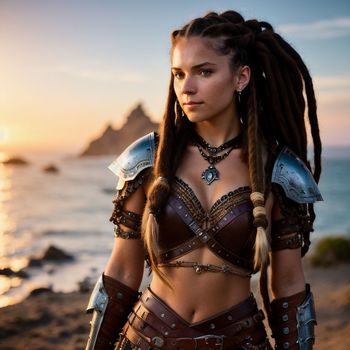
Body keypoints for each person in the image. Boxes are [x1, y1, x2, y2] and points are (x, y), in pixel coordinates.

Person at [85, 10, 323, 350]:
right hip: (144, 340)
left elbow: (286, 286)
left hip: (239, 342)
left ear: (241, 77)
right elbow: (122, 271)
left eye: (204, 71)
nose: (188, 87)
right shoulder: (149, 159)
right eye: (178, 74)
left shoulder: (279, 171)